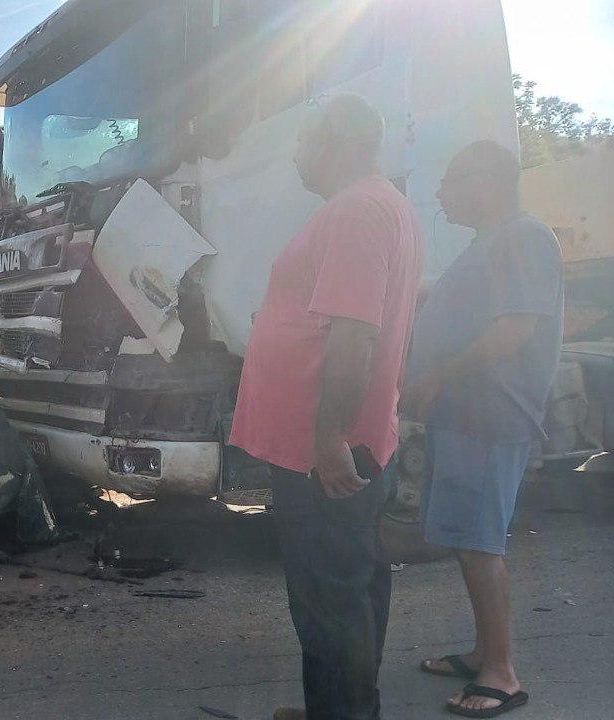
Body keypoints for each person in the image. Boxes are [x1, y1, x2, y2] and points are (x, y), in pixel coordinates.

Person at [228, 93, 424, 720]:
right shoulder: (378, 205)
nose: (295, 154)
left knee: (327, 597)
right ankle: (339, 709)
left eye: (303, 139)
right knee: (354, 584)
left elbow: (354, 335)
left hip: (327, 451)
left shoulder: (356, 211)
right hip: (353, 439)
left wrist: (328, 438)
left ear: (336, 141)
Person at [404, 140, 562, 718]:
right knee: (468, 539)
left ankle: (501, 672)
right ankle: (481, 652)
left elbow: (515, 329)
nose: (442, 195)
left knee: (479, 543)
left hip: (490, 413)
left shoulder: (523, 237)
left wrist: (438, 376)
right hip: (465, 414)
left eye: (451, 182)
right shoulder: (489, 243)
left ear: (489, 181)